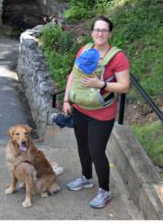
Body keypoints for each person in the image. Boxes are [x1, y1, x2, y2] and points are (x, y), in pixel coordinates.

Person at [60, 16, 130, 209]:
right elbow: (73, 75)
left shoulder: (118, 57)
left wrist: (102, 84)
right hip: (80, 108)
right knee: (82, 145)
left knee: (96, 150)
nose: (100, 33)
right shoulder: (85, 49)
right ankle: (87, 177)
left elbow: (124, 86)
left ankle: (105, 191)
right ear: (92, 32)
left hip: (102, 113)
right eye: (97, 30)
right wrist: (66, 99)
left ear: (110, 33)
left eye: (104, 30)